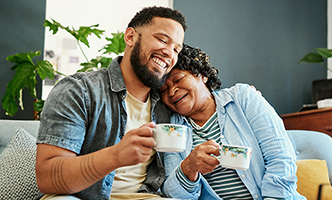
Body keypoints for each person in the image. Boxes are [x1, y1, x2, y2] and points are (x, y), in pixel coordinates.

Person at [35, 6, 186, 200]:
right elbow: (47, 177)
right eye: (162, 40)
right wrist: (115, 156)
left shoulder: (168, 104)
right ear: (130, 37)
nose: (169, 53)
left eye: (176, 49)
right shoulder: (79, 90)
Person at [159, 44, 306, 200]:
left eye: (178, 79)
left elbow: (280, 157)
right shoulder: (172, 129)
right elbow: (174, 194)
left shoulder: (243, 98)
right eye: (163, 90)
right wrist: (189, 167)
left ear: (202, 75)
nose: (171, 91)